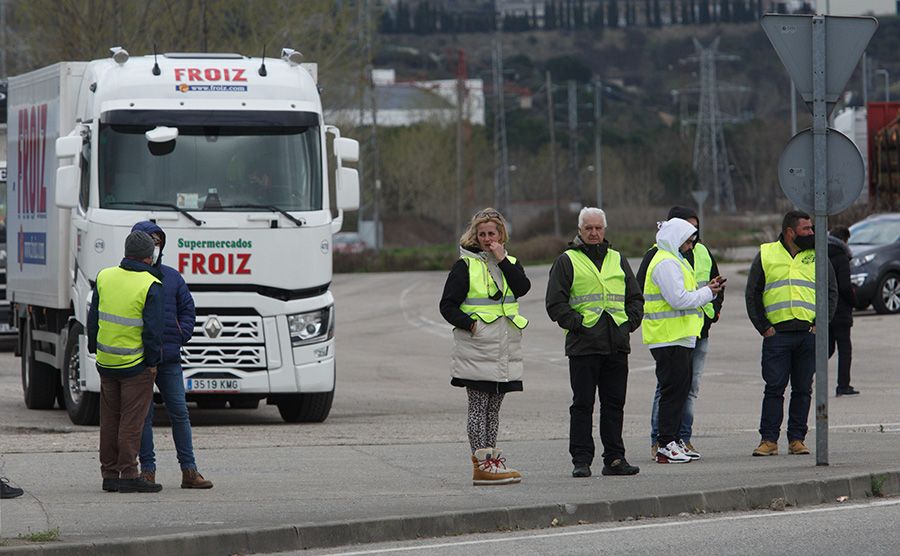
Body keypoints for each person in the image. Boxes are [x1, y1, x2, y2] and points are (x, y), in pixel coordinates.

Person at [546, 207, 644, 478]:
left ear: (604, 230)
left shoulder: (617, 259)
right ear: (579, 230)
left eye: (598, 228)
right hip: (584, 345)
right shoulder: (566, 261)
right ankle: (581, 459)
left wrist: (628, 324)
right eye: (588, 228)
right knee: (582, 405)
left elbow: (635, 298)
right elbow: (555, 303)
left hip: (616, 344)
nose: (593, 232)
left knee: (614, 405)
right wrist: (577, 325)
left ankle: (614, 458)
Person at [439, 208, 529, 485]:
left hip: (503, 349)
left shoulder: (510, 262)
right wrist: (471, 325)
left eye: (492, 233)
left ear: (501, 235)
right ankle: (481, 463)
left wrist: (502, 260)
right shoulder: (464, 266)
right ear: (475, 236)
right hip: (477, 348)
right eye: (482, 234)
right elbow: (447, 305)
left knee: (494, 408)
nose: (487, 239)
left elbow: (522, 287)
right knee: (478, 406)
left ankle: (492, 461)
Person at [745, 210, 837, 457]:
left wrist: (821, 324)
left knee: (803, 389)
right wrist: (764, 327)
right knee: (774, 388)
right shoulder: (766, 254)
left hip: (808, 333)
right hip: (778, 336)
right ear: (789, 232)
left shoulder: (817, 255)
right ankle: (768, 440)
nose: (812, 233)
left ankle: (797, 439)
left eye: (811, 229)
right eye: (806, 229)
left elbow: (830, 292)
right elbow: (752, 294)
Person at [637, 206, 724, 461]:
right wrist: (708, 292)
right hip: (668, 337)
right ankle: (665, 444)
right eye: (687, 241)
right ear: (675, 238)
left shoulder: (675, 260)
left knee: (680, 390)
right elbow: (679, 299)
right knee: (672, 392)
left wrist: (708, 290)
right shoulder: (665, 262)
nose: (690, 246)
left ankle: (673, 440)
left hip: (680, 336)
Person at [132, 221, 213, 489]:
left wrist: (182, 334)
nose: (155, 245)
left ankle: (189, 471)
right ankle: (148, 471)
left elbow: (188, 309)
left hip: (170, 359)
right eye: (149, 240)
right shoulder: (128, 277)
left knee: (180, 413)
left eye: (159, 240)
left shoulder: (172, 277)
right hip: (141, 360)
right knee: (144, 417)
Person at [88, 231, 164, 493]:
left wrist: (93, 349)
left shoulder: (105, 276)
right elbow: (153, 331)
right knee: (132, 422)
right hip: (135, 365)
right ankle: (129, 474)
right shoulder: (150, 283)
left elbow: (93, 318)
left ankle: (109, 475)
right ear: (149, 256)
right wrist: (153, 362)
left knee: (109, 420)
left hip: (106, 361)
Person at [828, 226, 858, 397]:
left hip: (825, 310)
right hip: (841, 311)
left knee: (827, 348)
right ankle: (843, 385)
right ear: (845, 240)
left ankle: (806, 375)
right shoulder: (842, 258)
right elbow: (845, 287)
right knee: (845, 349)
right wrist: (855, 301)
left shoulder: (821, 254)